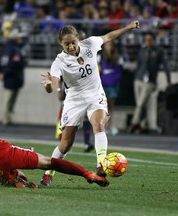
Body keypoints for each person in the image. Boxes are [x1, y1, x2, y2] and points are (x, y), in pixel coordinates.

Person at [40, 20, 140, 186]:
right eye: (66, 44)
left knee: (99, 125)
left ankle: (101, 164)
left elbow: (108, 36)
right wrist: (49, 85)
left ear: (78, 39)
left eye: (73, 42)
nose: (71, 46)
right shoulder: (59, 61)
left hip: (95, 95)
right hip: (74, 100)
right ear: (61, 44)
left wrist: (128, 28)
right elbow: (55, 84)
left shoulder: (91, 44)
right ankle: (48, 173)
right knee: (65, 145)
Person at [55, 30, 94, 152]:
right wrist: (58, 90)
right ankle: (64, 142)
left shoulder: (88, 53)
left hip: (88, 93)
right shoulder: (64, 57)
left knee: (87, 118)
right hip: (71, 94)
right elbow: (59, 77)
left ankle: (87, 143)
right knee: (69, 121)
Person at [128, 31, 171, 134]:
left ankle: (134, 123)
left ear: (154, 40)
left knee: (140, 104)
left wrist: (168, 80)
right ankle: (143, 125)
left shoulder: (159, 51)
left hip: (150, 81)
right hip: (139, 79)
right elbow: (139, 64)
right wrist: (135, 77)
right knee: (141, 105)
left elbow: (165, 66)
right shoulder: (142, 50)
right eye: (146, 40)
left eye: (150, 40)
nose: (147, 42)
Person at [0, 28, 26, 126]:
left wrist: (0, 73)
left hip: (8, 78)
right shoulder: (15, 50)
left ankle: (8, 118)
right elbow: (14, 64)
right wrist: (4, 74)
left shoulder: (5, 49)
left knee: (9, 100)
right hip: (13, 78)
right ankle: (6, 119)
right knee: (8, 100)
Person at [99, 41, 123, 136]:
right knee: (104, 106)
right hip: (103, 84)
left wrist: (115, 80)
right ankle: (104, 126)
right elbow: (99, 70)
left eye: (110, 45)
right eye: (107, 45)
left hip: (113, 84)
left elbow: (119, 71)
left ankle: (110, 125)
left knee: (110, 106)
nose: (109, 47)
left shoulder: (117, 57)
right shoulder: (100, 57)